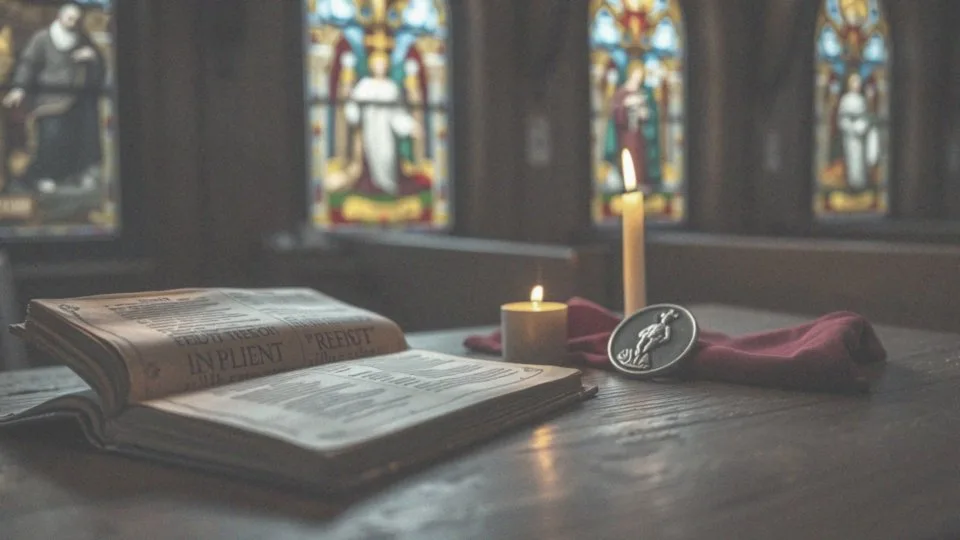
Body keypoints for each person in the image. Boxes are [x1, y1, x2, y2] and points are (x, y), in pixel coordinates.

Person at [2, 2, 104, 194]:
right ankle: (44, 176)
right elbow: (28, 64)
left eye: (76, 19)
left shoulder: (82, 39)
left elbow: (97, 62)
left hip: (76, 100)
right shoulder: (42, 38)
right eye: (69, 18)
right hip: (49, 99)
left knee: (78, 138)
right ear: (60, 17)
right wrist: (19, 88)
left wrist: (91, 57)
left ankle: (71, 177)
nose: (73, 23)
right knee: (51, 138)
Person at [343, 48, 422, 196]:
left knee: (387, 156)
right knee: (371, 157)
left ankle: (388, 188)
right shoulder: (365, 85)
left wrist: (411, 126)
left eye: (383, 63)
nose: (380, 66)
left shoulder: (391, 87)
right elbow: (354, 107)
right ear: (372, 66)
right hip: (370, 129)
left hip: (386, 131)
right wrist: (351, 110)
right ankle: (375, 187)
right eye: (377, 63)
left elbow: (397, 115)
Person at [607, 62, 662, 192]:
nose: (639, 78)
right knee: (629, 155)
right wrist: (627, 105)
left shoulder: (642, 92)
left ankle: (641, 182)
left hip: (639, 133)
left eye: (641, 76)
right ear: (631, 75)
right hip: (627, 134)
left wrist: (644, 114)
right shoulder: (622, 92)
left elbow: (650, 113)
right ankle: (628, 184)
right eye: (637, 75)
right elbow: (617, 113)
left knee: (640, 156)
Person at [837, 73, 872, 190]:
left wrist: (861, 126)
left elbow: (865, 117)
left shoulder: (861, 99)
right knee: (851, 159)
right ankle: (852, 184)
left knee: (860, 160)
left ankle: (860, 185)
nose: (857, 85)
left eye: (858, 82)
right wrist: (850, 128)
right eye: (854, 82)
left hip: (860, 135)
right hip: (850, 136)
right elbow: (842, 118)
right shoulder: (845, 99)